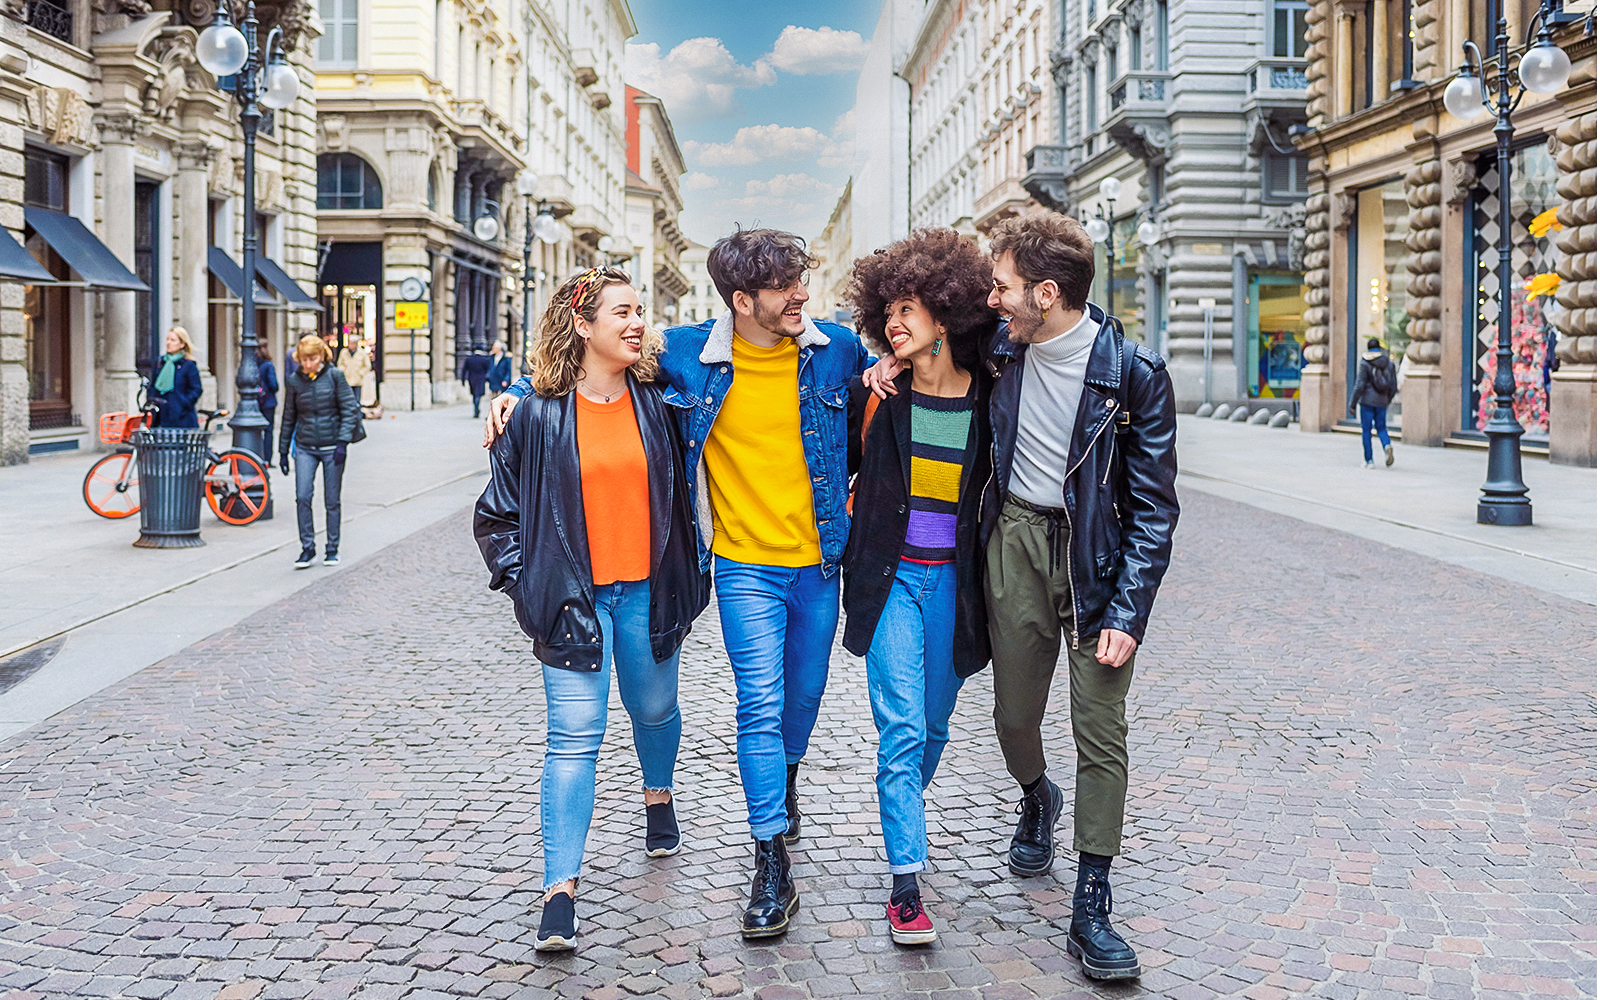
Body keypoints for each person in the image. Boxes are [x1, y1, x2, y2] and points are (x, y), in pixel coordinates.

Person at [489, 229, 875, 940]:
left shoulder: (839, 351)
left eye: (802, 281)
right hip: (738, 566)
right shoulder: (693, 360)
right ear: (742, 300)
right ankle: (764, 860)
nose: (802, 296)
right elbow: (572, 371)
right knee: (750, 705)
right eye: (786, 286)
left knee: (788, 703)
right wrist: (516, 390)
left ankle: (756, 783)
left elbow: (874, 415)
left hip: (817, 564)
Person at [865, 211, 1179, 982]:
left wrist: (1128, 613)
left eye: (1003, 287)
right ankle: (1036, 795)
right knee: (1012, 719)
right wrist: (883, 363)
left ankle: (1091, 904)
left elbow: (1154, 509)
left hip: (1094, 565)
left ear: (1047, 292)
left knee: (1099, 728)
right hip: (1011, 545)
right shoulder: (1000, 350)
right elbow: (919, 342)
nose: (991, 299)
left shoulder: (1133, 375)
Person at [475, 268, 708, 952]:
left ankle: (657, 795)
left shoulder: (663, 400)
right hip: (574, 603)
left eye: (641, 311)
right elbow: (498, 516)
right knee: (574, 734)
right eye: (622, 313)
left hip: (649, 592)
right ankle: (559, 892)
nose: (638, 323)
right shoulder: (539, 415)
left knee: (655, 709)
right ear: (582, 325)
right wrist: (530, 585)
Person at [840, 229, 996, 946]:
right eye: (888, 312)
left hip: (957, 590)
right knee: (901, 729)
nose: (896, 323)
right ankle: (907, 881)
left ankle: (905, 806)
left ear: (946, 310)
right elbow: (821, 462)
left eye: (910, 309)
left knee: (932, 728)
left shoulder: (995, 396)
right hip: (892, 580)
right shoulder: (874, 397)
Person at [279, 334, 358, 569]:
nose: (307, 364)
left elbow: (349, 411)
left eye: (312, 359)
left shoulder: (335, 376)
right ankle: (307, 548)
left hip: (332, 446)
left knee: (331, 500)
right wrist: (282, 451)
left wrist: (343, 443)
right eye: (303, 360)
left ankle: (332, 548)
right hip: (305, 446)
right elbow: (288, 417)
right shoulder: (295, 381)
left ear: (322, 356)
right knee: (302, 496)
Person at [1349, 337, 1397, 468]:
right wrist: (1387, 400)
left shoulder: (1365, 362)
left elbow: (1359, 385)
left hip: (1367, 401)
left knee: (1367, 430)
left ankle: (1369, 460)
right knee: (1381, 427)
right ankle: (1386, 445)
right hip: (1382, 401)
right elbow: (1393, 385)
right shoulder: (1388, 363)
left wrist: (1352, 404)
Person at [149, 327, 203, 428]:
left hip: (182, 418)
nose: (168, 343)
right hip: (160, 418)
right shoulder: (160, 362)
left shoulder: (188, 364)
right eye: (167, 339)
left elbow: (196, 389)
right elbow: (153, 385)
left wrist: (183, 404)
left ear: (182, 344)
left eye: (173, 340)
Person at [338, 336, 371, 408]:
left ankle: (356, 415)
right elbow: (340, 364)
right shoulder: (344, 352)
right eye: (349, 343)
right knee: (347, 400)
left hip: (357, 380)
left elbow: (367, 365)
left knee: (356, 400)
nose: (350, 345)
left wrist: (361, 373)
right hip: (346, 379)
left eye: (352, 343)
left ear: (356, 344)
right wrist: (343, 371)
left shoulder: (362, 353)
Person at [257, 343, 279, 442]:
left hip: (257, 401)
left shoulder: (255, 364)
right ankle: (267, 455)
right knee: (268, 430)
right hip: (268, 401)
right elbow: (273, 384)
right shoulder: (268, 365)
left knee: (258, 429)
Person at [463, 348, 492, 418]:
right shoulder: (484, 360)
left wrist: (463, 380)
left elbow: (464, 370)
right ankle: (477, 409)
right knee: (478, 395)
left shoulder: (469, 359)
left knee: (474, 394)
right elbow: (488, 370)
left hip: (471, 379)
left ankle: (476, 409)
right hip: (481, 379)